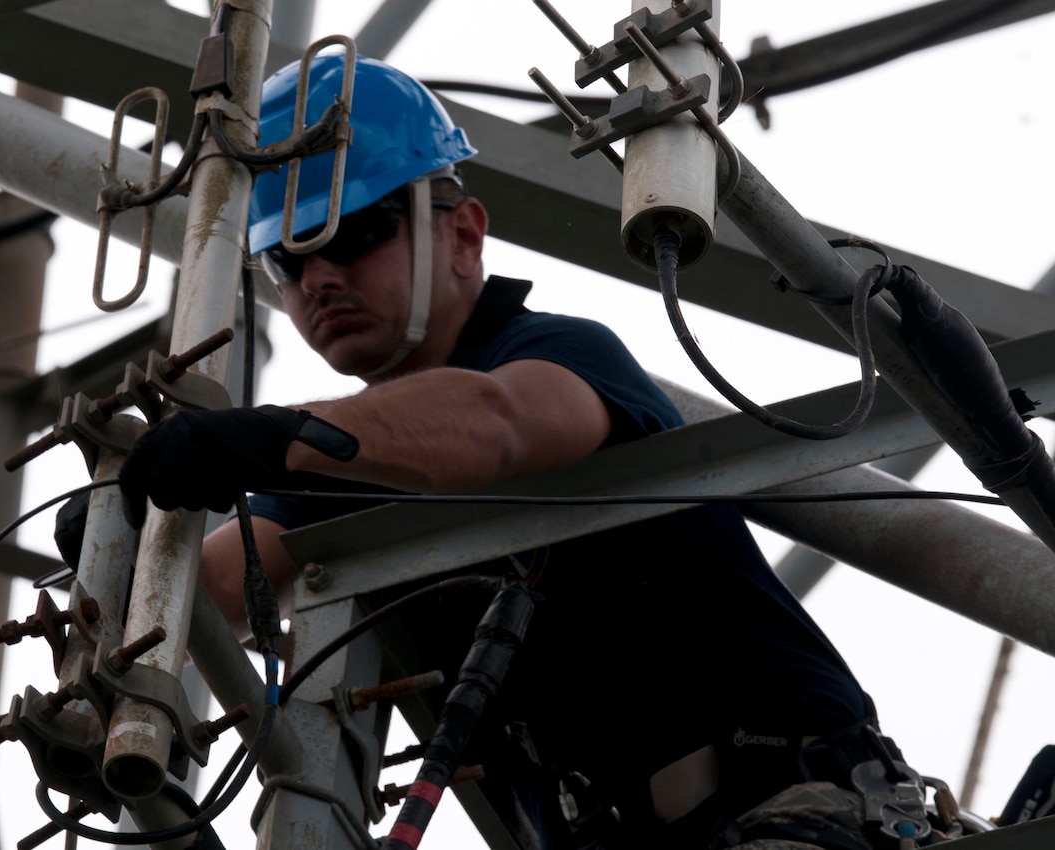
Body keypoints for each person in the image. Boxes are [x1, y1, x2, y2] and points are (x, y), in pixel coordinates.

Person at [98, 56, 922, 850]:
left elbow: (496, 426)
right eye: (287, 258)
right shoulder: (334, 476)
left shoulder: (560, 357)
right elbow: (216, 592)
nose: (317, 279)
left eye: (352, 235)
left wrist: (279, 435)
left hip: (793, 808)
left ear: (464, 234)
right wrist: (121, 553)